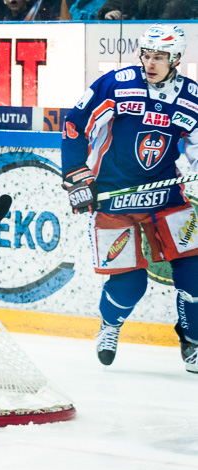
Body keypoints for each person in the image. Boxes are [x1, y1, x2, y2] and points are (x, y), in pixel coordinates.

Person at [61, 23, 198, 373]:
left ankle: (192, 339)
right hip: (114, 197)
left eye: (160, 57)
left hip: (167, 195)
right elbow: (75, 124)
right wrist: (78, 176)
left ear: (177, 59)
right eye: (147, 55)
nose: (151, 63)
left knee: (195, 272)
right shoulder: (118, 84)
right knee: (129, 282)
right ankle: (110, 326)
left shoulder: (191, 97)